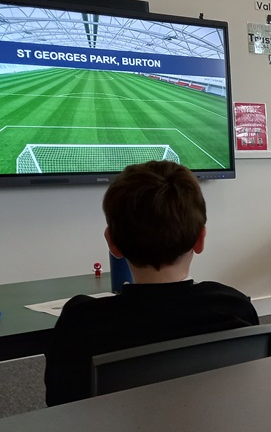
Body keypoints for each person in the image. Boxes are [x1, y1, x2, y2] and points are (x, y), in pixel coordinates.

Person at [44, 160, 259, 406]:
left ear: (112, 244)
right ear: (200, 239)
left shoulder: (80, 322)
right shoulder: (235, 307)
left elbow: (60, 407)